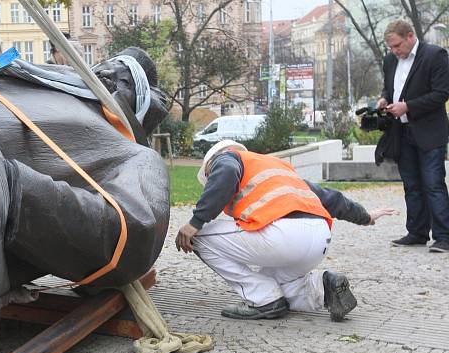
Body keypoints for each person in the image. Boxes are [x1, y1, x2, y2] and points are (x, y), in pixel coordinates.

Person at [176, 141, 396, 321]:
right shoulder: (277, 168)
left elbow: (227, 171)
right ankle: (324, 288)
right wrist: (365, 217)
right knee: (280, 286)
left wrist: (195, 223)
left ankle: (263, 301)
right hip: (319, 238)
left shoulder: (227, 159)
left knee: (200, 238)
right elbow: (331, 198)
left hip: (284, 234)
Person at [376, 20, 449, 253]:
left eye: (397, 46)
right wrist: (384, 98)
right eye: (391, 48)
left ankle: (444, 236)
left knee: (433, 185)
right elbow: (390, 87)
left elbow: (441, 94)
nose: (394, 51)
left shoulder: (435, 55)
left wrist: (408, 107)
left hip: (429, 132)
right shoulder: (390, 60)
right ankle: (417, 232)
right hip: (401, 132)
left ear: (410, 36)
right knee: (412, 186)